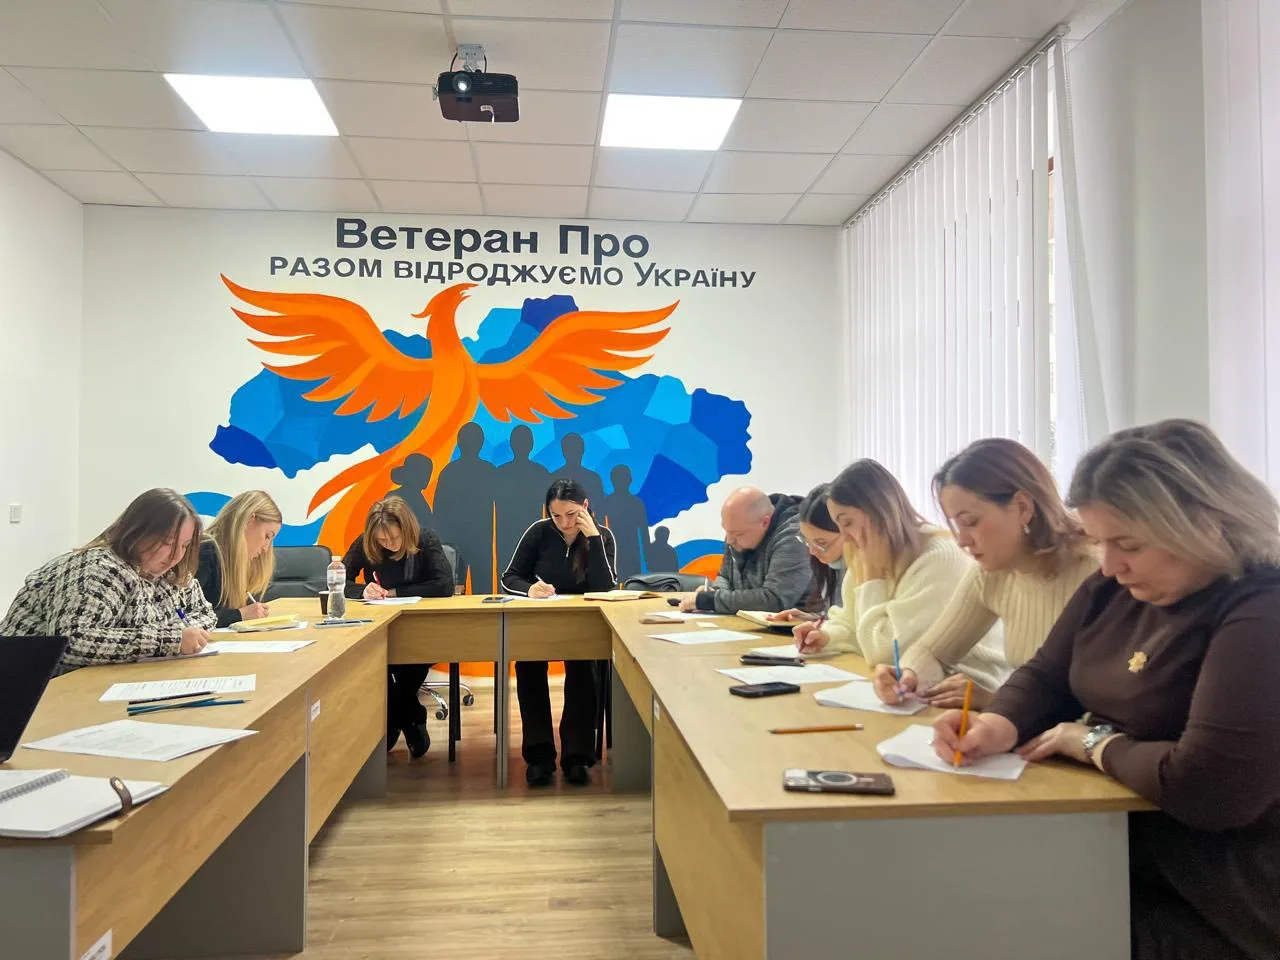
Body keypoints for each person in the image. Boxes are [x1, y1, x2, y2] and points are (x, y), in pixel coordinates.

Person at [934, 420, 1280, 960]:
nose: (1111, 566)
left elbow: (1210, 787)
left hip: (1215, 891)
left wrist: (1093, 743)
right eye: (1101, 543)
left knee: (988, 919)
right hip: (1115, 841)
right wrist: (997, 724)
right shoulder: (1116, 588)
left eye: (1129, 545)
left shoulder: (1261, 608)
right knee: (950, 884)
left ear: (1204, 524)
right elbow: (1047, 674)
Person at [871, 438, 1099, 709]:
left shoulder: (1097, 573)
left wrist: (998, 701)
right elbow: (933, 651)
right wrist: (908, 675)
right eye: (956, 525)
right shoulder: (991, 574)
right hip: (1027, 727)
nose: (962, 540)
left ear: (1023, 507)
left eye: (970, 522)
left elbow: (1105, 705)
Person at [791, 465, 1007, 691]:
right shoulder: (867, 552)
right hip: (915, 685)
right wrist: (827, 635)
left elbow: (886, 653)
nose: (845, 537)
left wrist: (872, 579)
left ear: (878, 514)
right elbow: (854, 623)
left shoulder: (939, 557)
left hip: (966, 690)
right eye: (838, 525)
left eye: (847, 523)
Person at [0, 488, 216, 673]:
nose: (176, 556)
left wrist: (186, 635)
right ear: (138, 532)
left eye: (184, 546)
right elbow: (71, 642)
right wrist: (170, 639)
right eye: (167, 543)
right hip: (23, 682)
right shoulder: (99, 569)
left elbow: (205, 613)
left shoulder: (166, 572)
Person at [500, 479, 618, 787]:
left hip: (582, 623)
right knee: (528, 667)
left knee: (583, 671)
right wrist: (530, 589)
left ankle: (577, 757)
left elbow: (605, 588)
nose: (564, 522)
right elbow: (510, 576)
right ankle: (539, 757)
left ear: (585, 507)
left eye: (571, 514)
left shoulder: (602, 536)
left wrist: (593, 539)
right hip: (541, 620)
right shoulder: (538, 532)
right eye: (556, 516)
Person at [341, 496, 454, 759]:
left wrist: (395, 593)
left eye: (394, 537)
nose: (390, 544)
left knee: (408, 665)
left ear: (407, 528)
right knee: (378, 661)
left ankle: (392, 721)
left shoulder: (426, 539)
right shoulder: (366, 543)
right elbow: (338, 580)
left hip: (422, 630)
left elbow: (444, 585)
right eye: (382, 540)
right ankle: (412, 718)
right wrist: (362, 590)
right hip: (381, 628)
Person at [680, 486, 815, 615]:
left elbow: (774, 600)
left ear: (765, 522)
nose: (729, 541)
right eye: (727, 531)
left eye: (738, 534)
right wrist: (716, 592)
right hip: (746, 622)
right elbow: (725, 576)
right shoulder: (739, 530)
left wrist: (710, 600)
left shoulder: (795, 537)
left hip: (793, 627)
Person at [196, 490, 282, 627]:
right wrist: (239, 615)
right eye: (267, 536)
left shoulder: (237, 561)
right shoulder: (206, 552)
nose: (266, 548)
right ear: (249, 521)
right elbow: (186, 618)